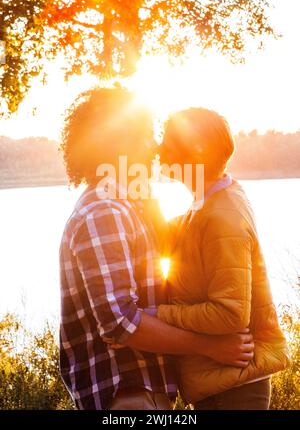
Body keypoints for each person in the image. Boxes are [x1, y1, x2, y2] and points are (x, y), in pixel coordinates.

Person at [59, 88, 255, 410]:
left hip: (143, 394)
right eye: (147, 136)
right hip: (125, 394)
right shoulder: (105, 211)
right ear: (122, 142)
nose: (155, 147)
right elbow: (121, 323)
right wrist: (211, 347)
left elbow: (179, 243)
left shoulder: (127, 206)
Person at [157, 107, 289, 410]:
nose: (159, 149)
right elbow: (185, 239)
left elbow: (229, 314)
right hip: (222, 383)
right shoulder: (208, 204)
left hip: (234, 388)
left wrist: (158, 315)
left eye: (168, 141)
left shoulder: (221, 216)